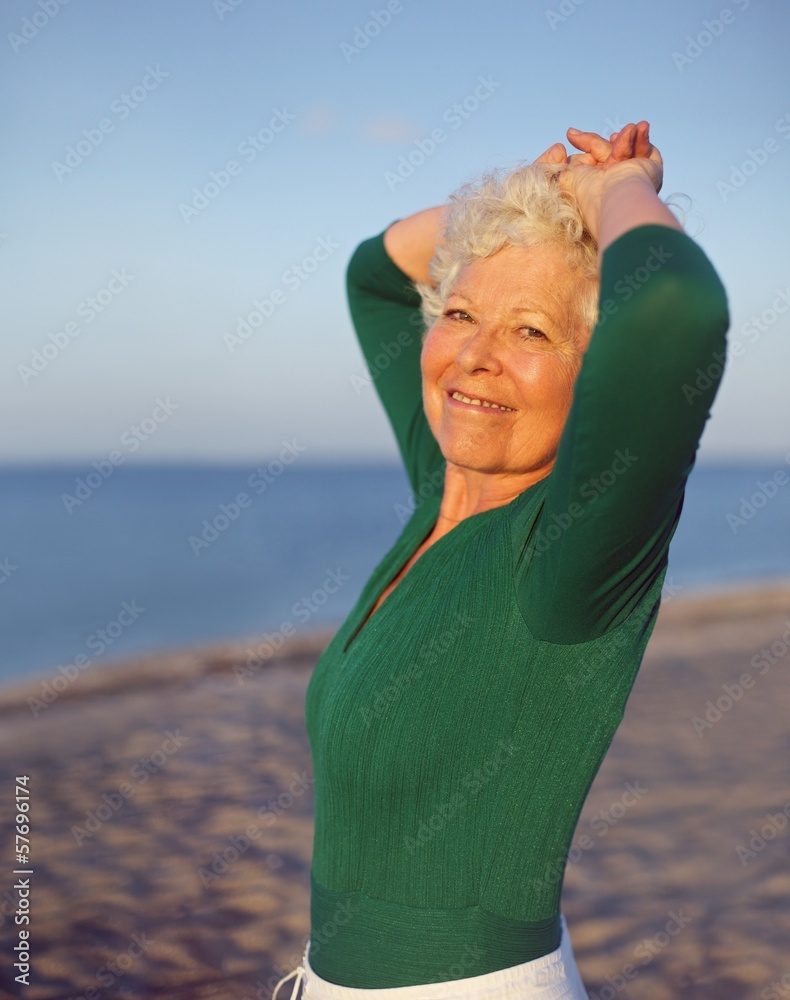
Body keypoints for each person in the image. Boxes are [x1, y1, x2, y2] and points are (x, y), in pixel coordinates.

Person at [273, 121, 729, 999]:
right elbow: (373, 273)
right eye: (459, 313)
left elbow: (680, 309)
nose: (475, 357)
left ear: (595, 375)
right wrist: (524, 197)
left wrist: (613, 191)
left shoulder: (570, 560)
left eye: (530, 332)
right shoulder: (444, 486)